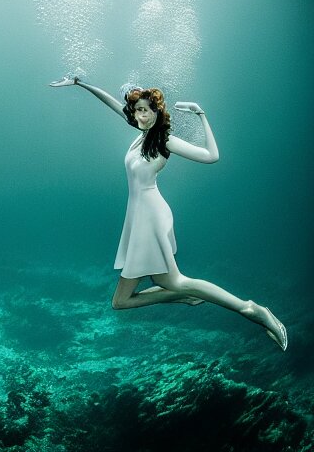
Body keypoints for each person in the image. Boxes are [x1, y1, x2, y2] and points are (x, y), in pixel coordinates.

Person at [50, 75, 287, 351]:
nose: (139, 115)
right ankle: (182, 296)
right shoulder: (140, 132)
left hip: (150, 217)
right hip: (139, 216)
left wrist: (201, 114)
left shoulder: (165, 140)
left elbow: (212, 156)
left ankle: (251, 310)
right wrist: (80, 83)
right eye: (136, 110)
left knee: (174, 282)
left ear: (156, 112)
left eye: (144, 110)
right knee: (124, 301)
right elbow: (112, 104)